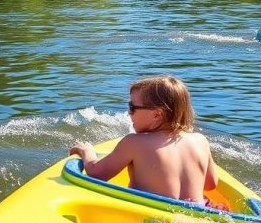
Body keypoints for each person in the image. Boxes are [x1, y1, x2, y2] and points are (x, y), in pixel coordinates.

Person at [69, 75, 217, 204]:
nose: (128, 112)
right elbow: (211, 184)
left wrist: (87, 152)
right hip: (197, 211)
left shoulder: (134, 142)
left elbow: (97, 174)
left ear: (157, 114)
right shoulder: (200, 141)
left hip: (151, 215)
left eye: (132, 107)